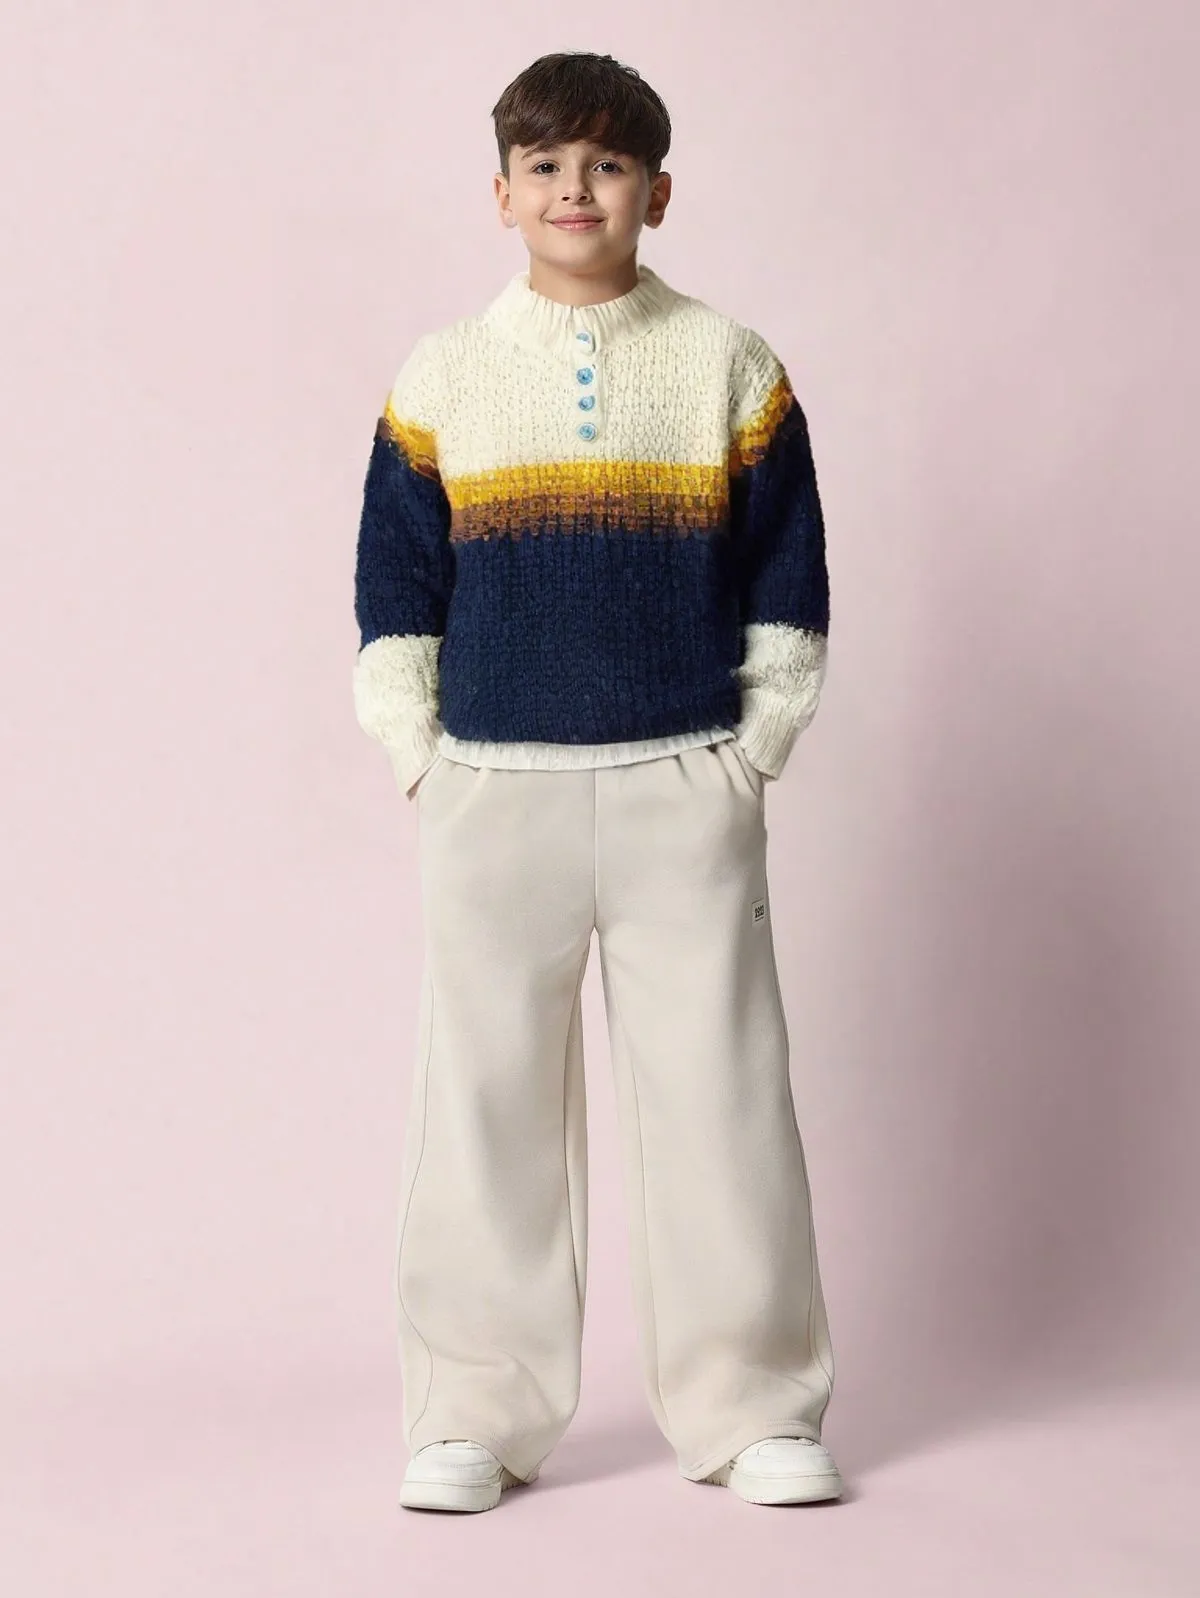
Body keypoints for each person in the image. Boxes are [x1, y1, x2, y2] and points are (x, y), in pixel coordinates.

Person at [352, 50, 842, 1513]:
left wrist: (754, 748)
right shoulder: (443, 372)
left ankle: (753, 1405)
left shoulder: (731, 362)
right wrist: (421, 758)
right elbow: (396, 587)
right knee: (484, 1104)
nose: (578, 188)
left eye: (609, 165)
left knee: (724, 1098)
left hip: (683, 785)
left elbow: (789, 574)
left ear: (658, 193)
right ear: (502, 194)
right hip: (493, 788)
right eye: (548, 164)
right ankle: (471, 1411)